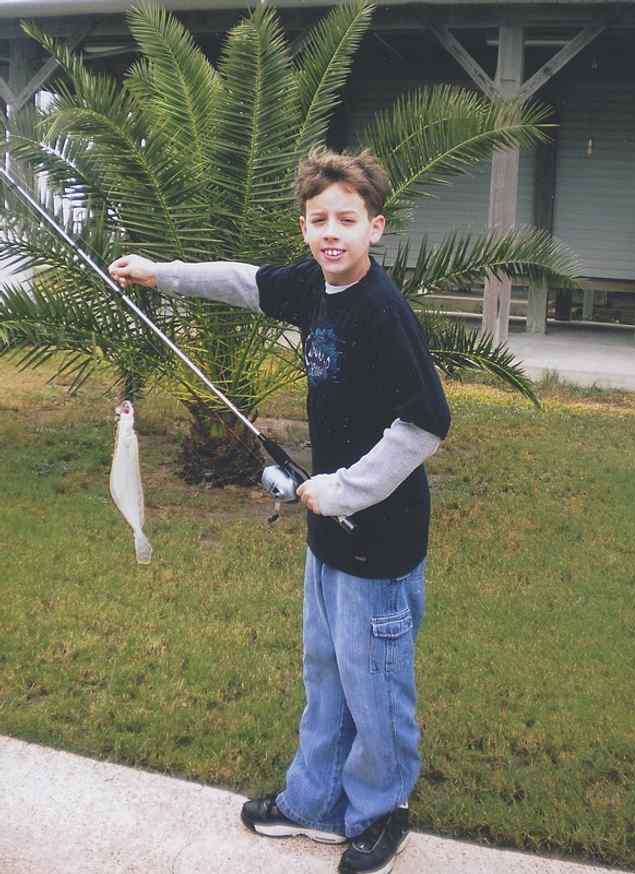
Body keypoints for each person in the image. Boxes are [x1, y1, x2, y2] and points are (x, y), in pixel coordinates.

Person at [109, 148, 451, 874]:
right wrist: (158, 273)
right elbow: (240, 280)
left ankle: (381, 811)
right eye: (319, 220)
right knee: (326, 671)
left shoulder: (384, 311)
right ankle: (315, 803)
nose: (332, 232)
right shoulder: (311, 288)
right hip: (330, 535)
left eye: (347, 220)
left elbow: (425, 424)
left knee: (374, 683)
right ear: (303, 227)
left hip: (381, 539)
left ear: (375, 227)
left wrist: (343, 490)